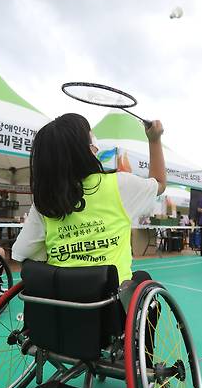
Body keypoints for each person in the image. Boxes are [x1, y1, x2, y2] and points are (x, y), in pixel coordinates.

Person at [11, 113, 167, 309]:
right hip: (109, 305)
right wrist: (154, 139)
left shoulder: (46, 201)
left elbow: (21, 253)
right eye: (91, 137)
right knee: (143, 280)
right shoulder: (119, 185)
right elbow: (160, 183)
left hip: (59, 304)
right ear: (84, 148)